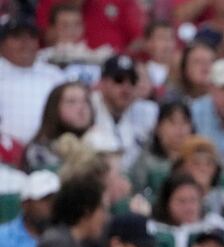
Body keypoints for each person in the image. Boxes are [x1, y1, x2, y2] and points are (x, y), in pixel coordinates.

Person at [85, 55, 158, 169]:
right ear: (102, 83)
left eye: (132, 81)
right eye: (118, 80)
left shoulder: (145, 111)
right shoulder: (87, 108)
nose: (126, 88)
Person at [0, 16, 64, 144]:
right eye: (17, 37)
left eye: (32, 36)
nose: (26, 43)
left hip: (49, 150)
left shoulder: (54, 74)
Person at [150, 171, 224, 247]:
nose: (189, 207)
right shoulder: (153, 228)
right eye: (181, 201)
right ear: (166, 203)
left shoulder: (216, 224)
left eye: (193, 200)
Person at [23, 81, 94, 173]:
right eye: (71, 102)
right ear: (55, 108)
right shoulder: (39, 150)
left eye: (86, 101)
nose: (81, 108)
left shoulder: (99, 142)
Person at [129, 101, 194, 192]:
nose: (180, 129)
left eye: (185, 122)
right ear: (158, 127)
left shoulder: (197, 161)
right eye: (173, 122)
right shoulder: (145, 162)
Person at [35, 0, 143, 53]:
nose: (71, 30)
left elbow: (140, 39)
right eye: (65, 25)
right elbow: (43, 34)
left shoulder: (120, 2)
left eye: (76, 25)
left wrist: (119, 59)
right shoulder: (51, 3)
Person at [171, 134, 224, 215]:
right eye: (196, 163)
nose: (203, 169)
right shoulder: (171, 198)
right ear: (181, 168)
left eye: (209, 164)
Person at [163, 40, 217, 105]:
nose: (205, 66)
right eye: (197, 62)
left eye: (210, 61)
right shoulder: (172, 98)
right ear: (185, 68)